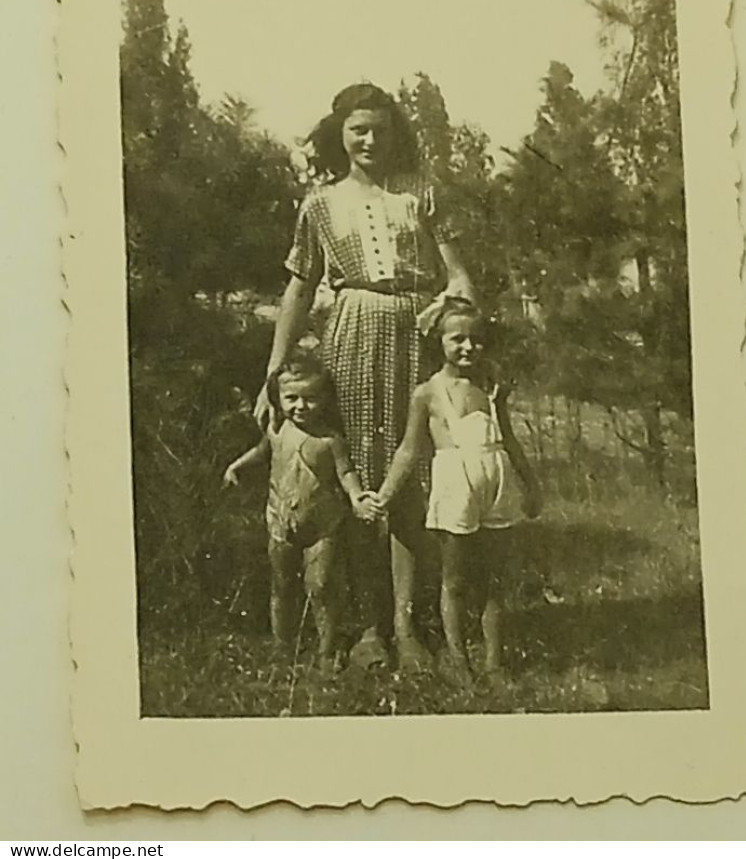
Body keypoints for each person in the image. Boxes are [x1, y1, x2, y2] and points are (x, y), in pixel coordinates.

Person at [254, 82, 475, 672]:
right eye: (358, 130)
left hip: (414, 334)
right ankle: (369, 629)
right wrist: (274, 373)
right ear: (341, 137)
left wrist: (446, 302)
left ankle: (408, 627)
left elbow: (461, 278)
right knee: (357, 474)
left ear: (395, 132)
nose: (370, 140)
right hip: (350, 332)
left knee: (411, 474)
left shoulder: (421, 194)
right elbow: (300, 288)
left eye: (380, 128)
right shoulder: (319, 205)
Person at [376, 298, 541, 684]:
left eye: (477, 340)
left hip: (496, 480)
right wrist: (385, 494)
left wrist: (531, 484)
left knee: (494, 579)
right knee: (456, 577)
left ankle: (494, 663)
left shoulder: (492, 387)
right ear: (440, 342)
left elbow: (510, 438)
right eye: (458, 339)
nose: (468, 347)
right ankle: (459, 660)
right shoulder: (428, 393)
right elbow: (408, 448)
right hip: (456, 484)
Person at [224, 352, 378, 676]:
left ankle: (327, 648)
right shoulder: (277, 430)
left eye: (310, 398)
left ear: (324, 398)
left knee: (320, 585)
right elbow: (261, 452)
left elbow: (346, 471)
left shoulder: (329, 440)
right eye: (291, 398)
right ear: (278, 399)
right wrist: (237, 465)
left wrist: (355, 496)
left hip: (321, 523)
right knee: (281, 584)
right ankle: (282, 647)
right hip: (280, 519)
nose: (300, 406)